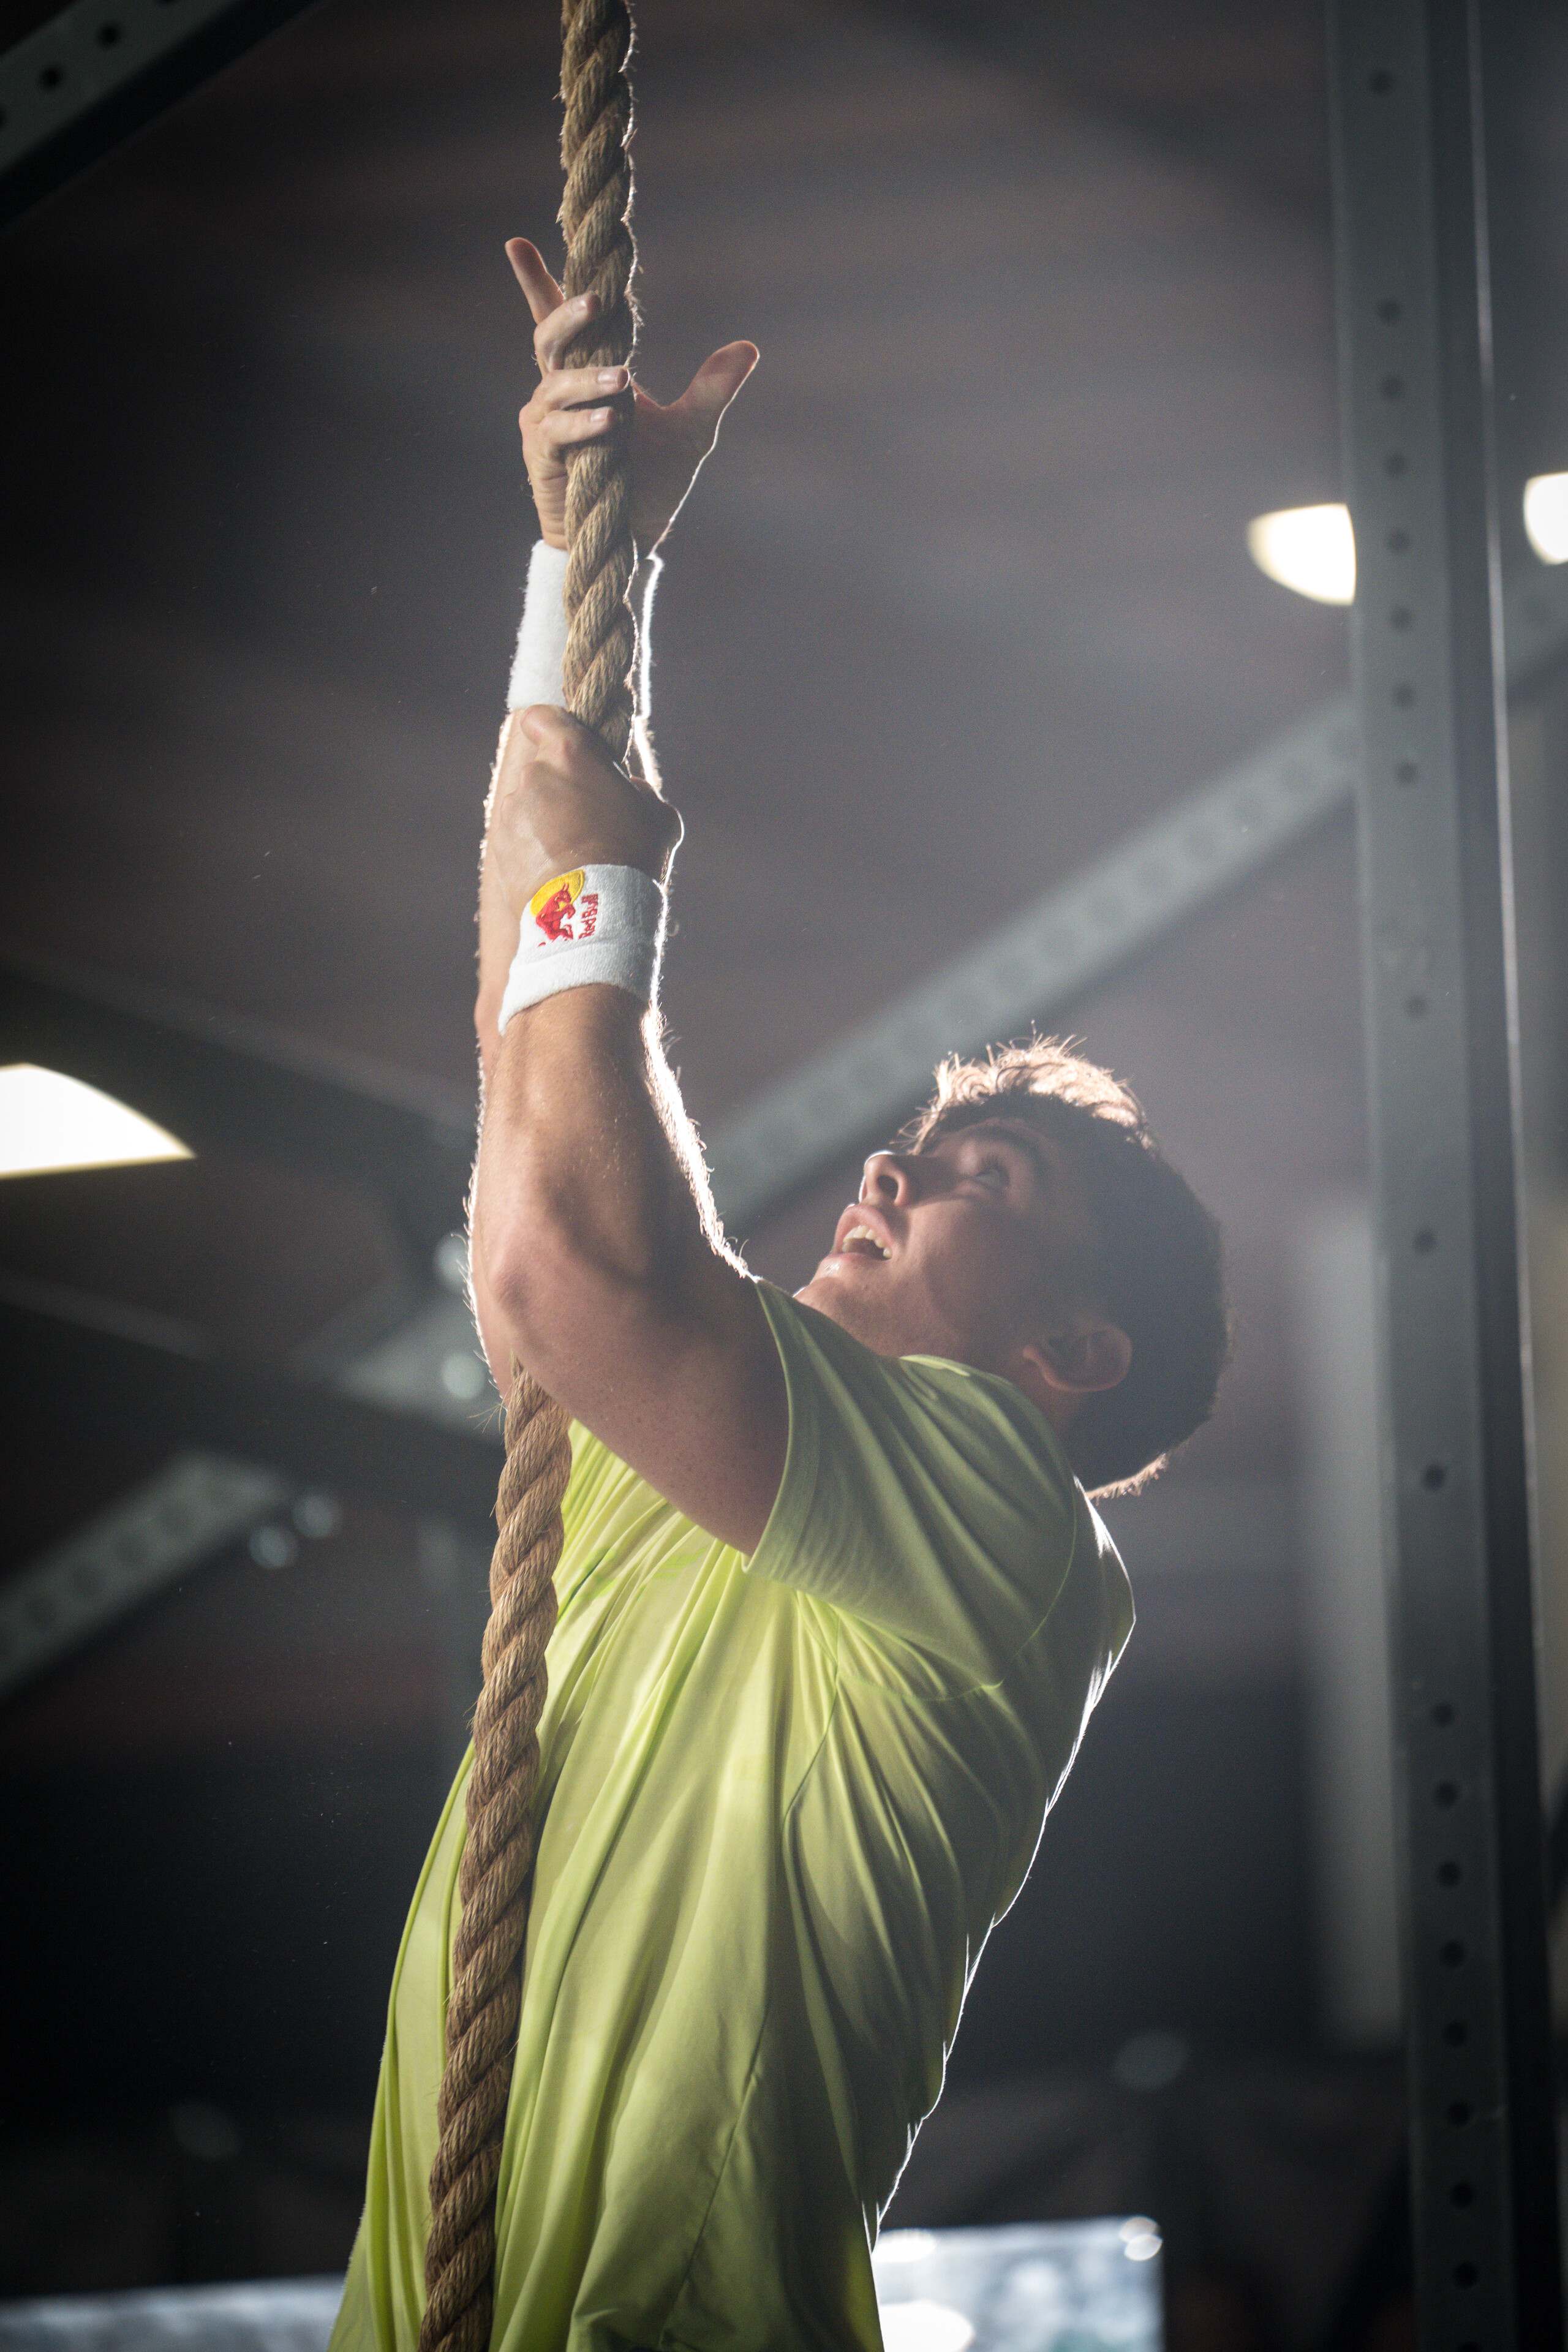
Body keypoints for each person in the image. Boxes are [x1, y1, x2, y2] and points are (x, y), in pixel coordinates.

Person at [331, 239, 1230, 2352]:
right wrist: (592, 565)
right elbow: (536, 1114)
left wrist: (608, 882)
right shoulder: (696, 1465)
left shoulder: (1016, 1530)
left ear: (1069, 1356)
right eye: (920, 1148)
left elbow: (569, 1239)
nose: (892, 1172)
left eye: (983, 1182)